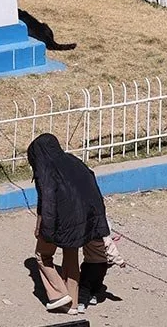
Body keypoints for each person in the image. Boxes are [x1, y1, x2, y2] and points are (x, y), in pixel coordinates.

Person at [27, 132, 111, 311]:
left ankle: (58, 294)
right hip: (81, 219)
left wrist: (43, 228)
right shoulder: (73, 161)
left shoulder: (46, 170)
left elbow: (47, 201)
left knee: (42, 256)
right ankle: (72, 303)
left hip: (59, 220)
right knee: (71, 255)